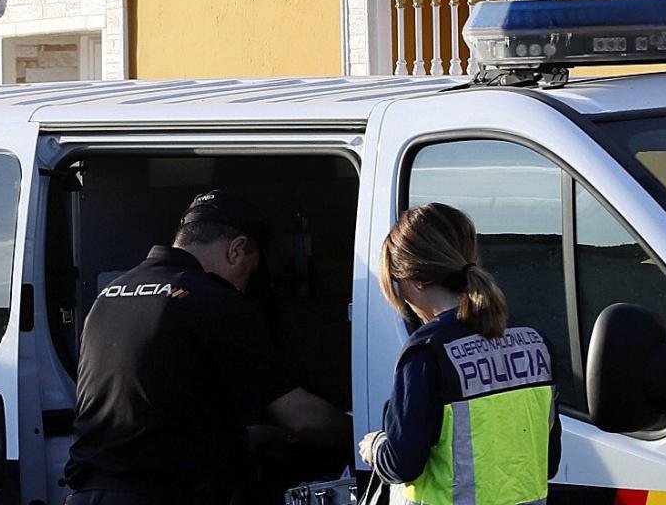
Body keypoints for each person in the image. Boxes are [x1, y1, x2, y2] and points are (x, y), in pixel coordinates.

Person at [66, 189, 349, 505]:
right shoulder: (215, 300)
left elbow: (148, 405)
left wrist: (244, 438)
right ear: (237, 250)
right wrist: (366, 435)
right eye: (251, 274)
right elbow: (301, 417)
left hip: (89, 494)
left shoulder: (110, 295)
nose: (245, 286)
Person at [359, 203, 561, 505]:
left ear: (412, 281)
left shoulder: (426, 353)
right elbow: (549, 461)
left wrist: (374, 446)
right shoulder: (534, 343)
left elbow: (402, 464)